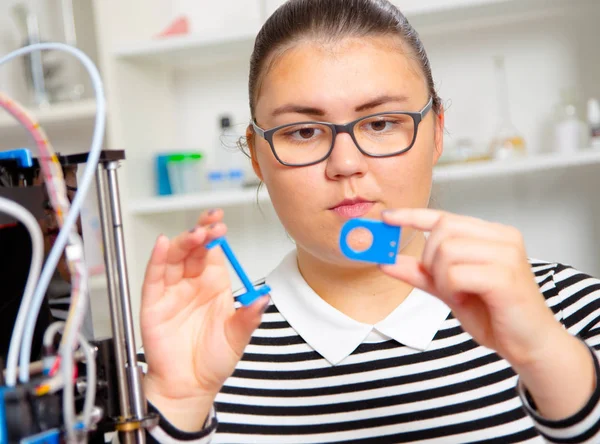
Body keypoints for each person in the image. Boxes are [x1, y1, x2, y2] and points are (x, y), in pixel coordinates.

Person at [139, 0, 600, 442]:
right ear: (257, 155)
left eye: (380, 123)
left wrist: (546, 355)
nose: (346, 163)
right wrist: (176, 405)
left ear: (436, 132)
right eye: (302, 131)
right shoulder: (182, 355)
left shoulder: (573, 310)